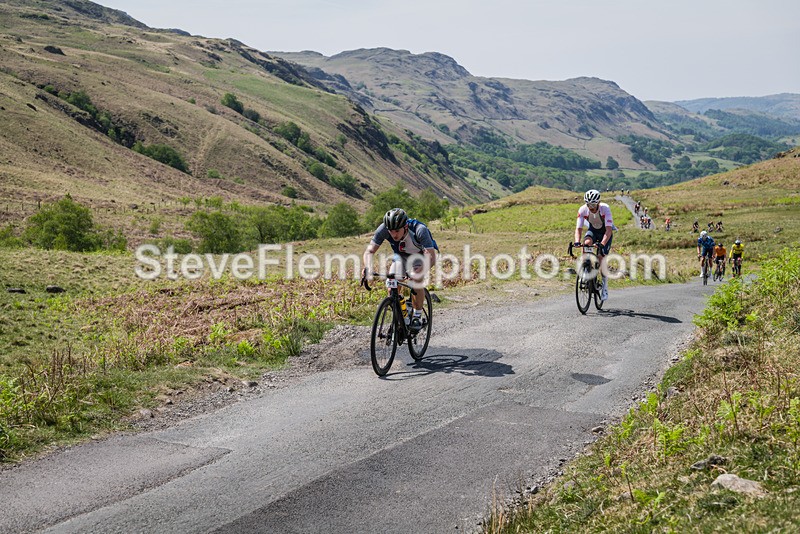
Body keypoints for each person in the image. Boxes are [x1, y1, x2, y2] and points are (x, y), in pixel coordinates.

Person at [361, 208, 438, 331]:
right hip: (400, 256)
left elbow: (432, 257)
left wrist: (418, 273)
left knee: (416, 278)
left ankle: (417, 315)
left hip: (421, 255)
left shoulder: (420, 230)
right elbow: (369, 251)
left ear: (405, 226)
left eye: (397, 231)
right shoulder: (383, 229)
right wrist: (367, 267)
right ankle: (402, 314)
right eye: (391, 231)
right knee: (392, 286)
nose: (394, 234)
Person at [574, 189, 614, 301]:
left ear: (598, 203)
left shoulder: (605, 208)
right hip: (593, 231)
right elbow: (579, 229)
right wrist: (577, 241)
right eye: (588, 204)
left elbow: (609, 230)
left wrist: (602, 244)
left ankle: (604, 287)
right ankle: (586, 268)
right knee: (586, 244)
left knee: (601, 258)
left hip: (605, 233)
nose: (590, 207)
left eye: (593, 204)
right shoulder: (583, 210)